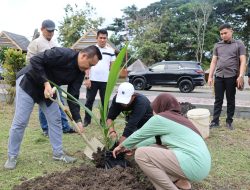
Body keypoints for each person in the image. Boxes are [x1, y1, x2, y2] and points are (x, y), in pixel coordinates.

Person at [4, 45, 102, 170]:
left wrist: (77, 120)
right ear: (83, 56)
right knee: (21, 121)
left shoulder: (79, 73)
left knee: (55, 120)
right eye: (90, 64)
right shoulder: (63, 53)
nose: (89, 68)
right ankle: (12, 156)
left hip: (50, 90)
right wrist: (45, 83)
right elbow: (35, 60)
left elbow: (72, 96)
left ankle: (58, 154)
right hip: (29, 82)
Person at [113, 93, 211, 190]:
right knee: (152, 147)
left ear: (160, 106)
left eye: (154, 108)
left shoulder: (160, 119)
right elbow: (153, 139)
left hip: (193, 164)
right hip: (202, 165)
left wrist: (121, 146)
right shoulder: (178, 119)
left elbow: (140, 134)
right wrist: (133, 147)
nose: (153, 111)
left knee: (141, 154)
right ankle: (179, 181)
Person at [26, 19, 74, 136]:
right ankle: (45, 129)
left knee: (60, 102)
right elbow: (29, 61)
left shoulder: (54, 43)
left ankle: (65, 127)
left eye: (52, 31)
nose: (51, 33)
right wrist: (40, 78)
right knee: (44, 103)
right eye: (48, 31)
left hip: (54, 79)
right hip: (41, 79)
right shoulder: (35, 43)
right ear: (42, 29)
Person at [208, 23, 246, 130]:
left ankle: (229, 121)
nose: (223, 35)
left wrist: (241, 76)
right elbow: (213, 62)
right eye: (221, 34)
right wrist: (210, 76)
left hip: (232, 76)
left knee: (230, 99)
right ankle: (215, 121)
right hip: (219, 76)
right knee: (218, 99)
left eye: (225, 33)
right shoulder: (217, 45)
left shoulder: (239, 44)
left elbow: (243, 61)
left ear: (231, 31)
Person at [83, 29, 116, 127]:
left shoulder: (111, 51)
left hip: (105, 81)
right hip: (92, 80)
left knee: (104, 103)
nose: (102, 40)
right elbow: (86, 64)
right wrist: (87, 78)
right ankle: (87, 121)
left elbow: (113, 66)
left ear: (107, 39)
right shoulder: (91, 49)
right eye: (100, 38)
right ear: (97, 38)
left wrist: (112, 80)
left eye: (104, 38)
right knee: (89, 101)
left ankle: (103, 121)